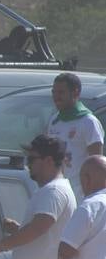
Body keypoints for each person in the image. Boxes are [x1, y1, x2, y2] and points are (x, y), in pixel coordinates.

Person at [45, 71, 103, 202]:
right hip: (58, 192)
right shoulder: (54, 120)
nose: (56, 97)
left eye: (61, 92)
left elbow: (96, 163)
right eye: (54, 92)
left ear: (75, 93)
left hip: (79, 194)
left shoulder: (88, 121)